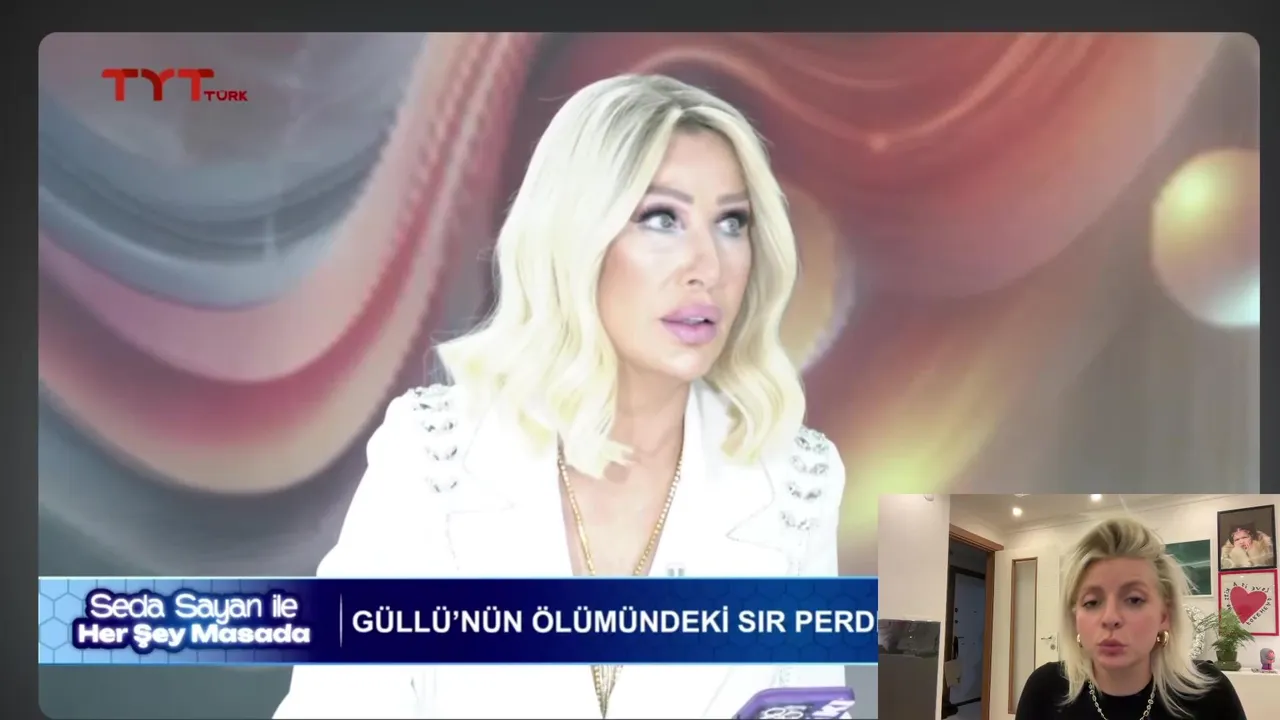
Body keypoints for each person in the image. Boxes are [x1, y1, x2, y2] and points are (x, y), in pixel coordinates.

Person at [274, 74, 848, 719]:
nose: (707, 266)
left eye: (731, 222)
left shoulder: (795, 480)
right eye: (662, 218)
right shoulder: (433, 457)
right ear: (576, 235)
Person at [1015, 517, 1248, 719]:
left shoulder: (1210, 695)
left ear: (1164, 615)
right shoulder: (1045, 691)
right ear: (1075, 616)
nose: (1110, 618)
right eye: (1092, 602)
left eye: (1134, 600)